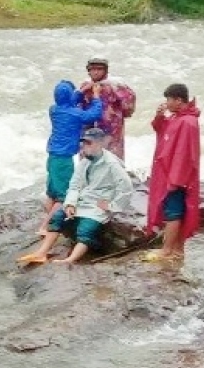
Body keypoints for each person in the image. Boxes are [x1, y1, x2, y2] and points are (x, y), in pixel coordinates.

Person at [17, 127, 135, 266]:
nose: (84, 147)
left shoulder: (112, 164)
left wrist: (112, 206)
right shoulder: (85, 162)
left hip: (97, 205)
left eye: (88, 143)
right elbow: (74, 185)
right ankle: (41, 253)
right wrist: (70, 203)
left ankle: (70, 259)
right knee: (58, 217)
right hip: (82, 201)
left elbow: (126, 187)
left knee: (86, 229)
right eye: (83, 143)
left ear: (99, 144)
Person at [146, 83, 201, 263]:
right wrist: (159, 116)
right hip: (171, 174)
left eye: (168, 99)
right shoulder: (180, 118)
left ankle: (167, 250)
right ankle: (176, 250)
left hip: (177, 177)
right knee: (175, 211)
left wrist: (176, 179)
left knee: (173, 212)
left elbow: (186, 154)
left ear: (178, 100)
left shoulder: (187, 122)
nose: (166, 103)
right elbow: (162, 130)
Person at [43, 80, 105, 231]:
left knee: (52, 193)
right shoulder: (76, 114)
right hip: (64, 159)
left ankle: (48, 219)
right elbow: (94, 114)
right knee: (64, 196)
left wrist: (80, 91)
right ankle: (46, 227)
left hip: (52, 156)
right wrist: (96, 96)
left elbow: (68, 102)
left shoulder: (54, 109)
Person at [79, 58, 136, 161]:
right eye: (93, 69)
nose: (95, 72)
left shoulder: (117, 86)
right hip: (89, 130)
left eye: (99, 69)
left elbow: (129, 106)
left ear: (105, 70)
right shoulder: (85, 86)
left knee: (112, 161)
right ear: (88, 71)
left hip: (111, 131)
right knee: (88, 161)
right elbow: (78, 107)